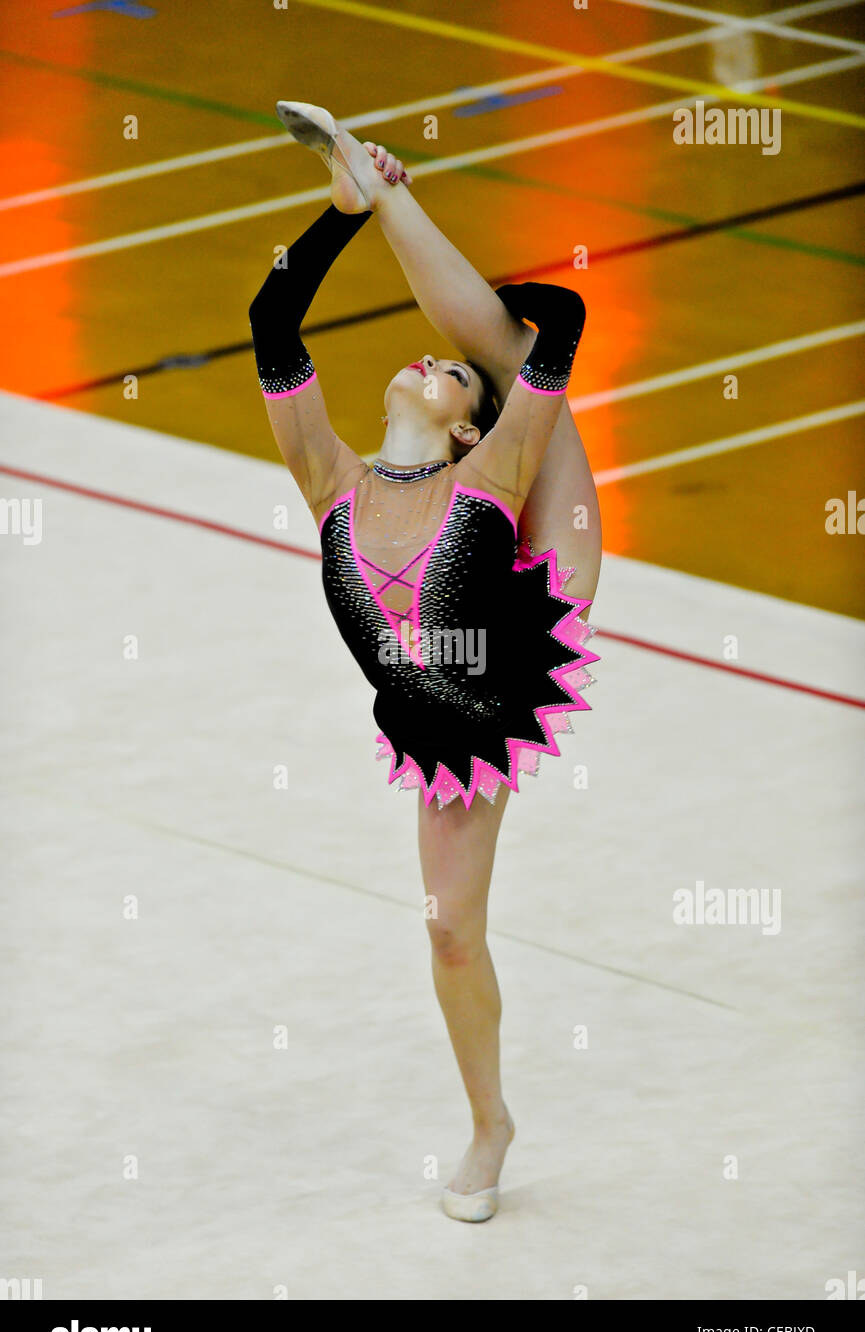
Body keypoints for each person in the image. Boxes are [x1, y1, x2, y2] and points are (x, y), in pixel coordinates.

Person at [248, 103, 602, 1222]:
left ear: (464, 428)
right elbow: (271, 318)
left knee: (510, 345)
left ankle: (393, 184)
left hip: (537, 601)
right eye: (432, 365)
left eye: (448, 379)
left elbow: (553, 325)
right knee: (449, 931)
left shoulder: (494, 469)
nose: (426, 366)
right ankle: (491, 1119)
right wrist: (341, 214)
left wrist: (491, 348)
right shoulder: (329, 484)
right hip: (433, 709)